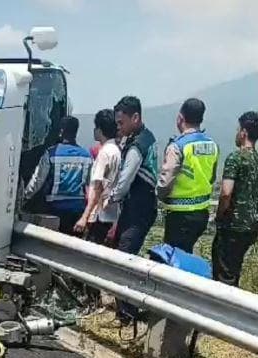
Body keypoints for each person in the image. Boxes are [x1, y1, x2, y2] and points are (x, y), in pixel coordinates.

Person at [109, 96, 158, 324]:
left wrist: (109, 199)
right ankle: (125, 309)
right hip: (138, 208)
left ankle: (126, 313)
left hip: (138, 209)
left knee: (125, 258)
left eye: (121, 122)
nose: (119, 127)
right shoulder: (144, 138)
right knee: (123, 254)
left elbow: (125, 180)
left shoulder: (138, 145)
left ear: (135, 118)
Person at [157, 98, 219, 253]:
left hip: (180, 214)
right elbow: (212, 177)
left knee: (174, 258)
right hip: (202, 212)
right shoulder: (212, 145)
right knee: (186, 253)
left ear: (180, 118)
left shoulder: (178, 146)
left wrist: (160, 196)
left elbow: (165, 181)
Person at [24, 116, 93, 235]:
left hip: (54, 211)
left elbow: (38, 181)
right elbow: (90, 186)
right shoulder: (86, 156)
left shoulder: (51, 153)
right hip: (77, 211)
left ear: (61, 131)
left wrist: (25, 197)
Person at [213, 111, 258, 287]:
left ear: (244, 132)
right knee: (234, 268)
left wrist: (219, 215)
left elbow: (226, 193)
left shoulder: (235, 158)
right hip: (252, 227)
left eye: (238, 129)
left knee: (224, 274)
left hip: (233, 226)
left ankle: (222, 312)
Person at [74, 109, 121, 245]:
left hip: (100, 214)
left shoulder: (104, 153)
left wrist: (85, 217)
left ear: (100, 130)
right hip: (111, 214)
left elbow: (96, 188)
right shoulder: (116, 150)